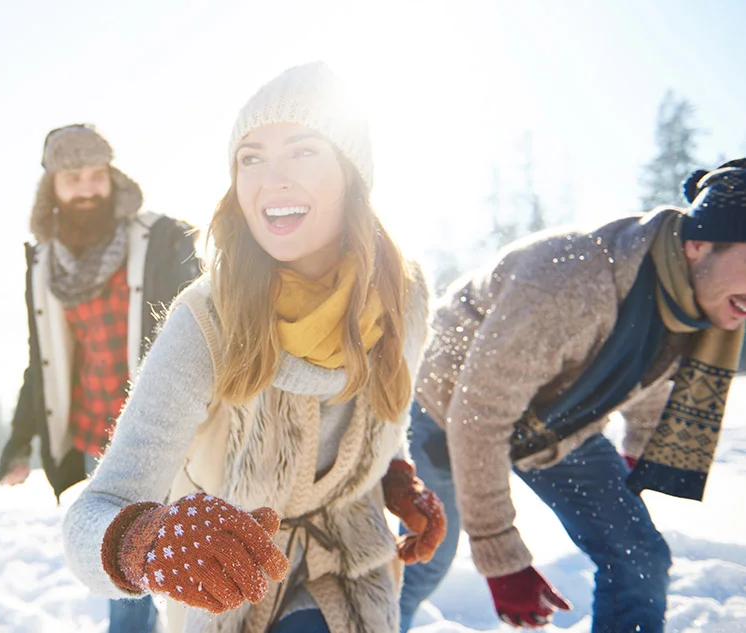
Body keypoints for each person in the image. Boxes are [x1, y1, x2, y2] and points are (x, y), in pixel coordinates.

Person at [62, 62, 446, 633]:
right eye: (251, 158)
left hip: (352, 570)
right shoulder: (206, 319)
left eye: (303, 152)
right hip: (229, 585)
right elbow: (93, 512)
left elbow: (382, 419)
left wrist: (392, 475)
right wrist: (143, 541)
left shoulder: (403, 297)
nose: (272, 179)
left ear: (351, 172)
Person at [399, 159, 746, 632]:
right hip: (449, 405)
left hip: (558, 422)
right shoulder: (572, 283)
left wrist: (636, 454)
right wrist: (502, 557)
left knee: (638, 554)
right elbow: (477, 416)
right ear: (697, 245)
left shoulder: (689, 305)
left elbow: (648, 371)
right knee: (428, 558)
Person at [0, 123, 200, 632]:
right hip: (99, 443)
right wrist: (21, 439)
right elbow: (40, 359)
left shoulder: (162, 239)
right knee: (126, 576)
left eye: (94, 175)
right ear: (53, 188)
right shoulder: (43, 264)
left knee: (195, 573)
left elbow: (208, 331)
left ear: (111, 177)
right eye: (72, 178)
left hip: (173, 434)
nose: (85, 188)